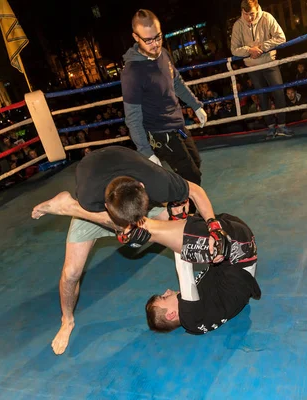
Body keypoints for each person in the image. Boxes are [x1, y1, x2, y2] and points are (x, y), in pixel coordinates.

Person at [31, 146, 228, 354]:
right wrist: (126, 227)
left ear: (142, 188)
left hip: (128, 195)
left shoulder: (156, 181)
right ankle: (67, 320)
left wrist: (213, 225)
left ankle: (146, 229)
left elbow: (195, 191)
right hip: (93, 208)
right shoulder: (90, 196)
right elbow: (105, 216)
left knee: (182, 231)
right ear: (108, 207)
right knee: (70, 273)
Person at [121, 212, 260, 335]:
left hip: (236, 247)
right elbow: (184, 266)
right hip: (239, 251)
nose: (167, 291)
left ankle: (151, 219)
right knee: (183, 231)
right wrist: (168, 229)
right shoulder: (190, 316)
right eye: (164, 297)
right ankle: (139, 223)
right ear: (171, 315)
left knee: (188, 221)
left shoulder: (196, 318)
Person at [121, 9, 207, 185]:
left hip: (178, 124)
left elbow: (176, 82)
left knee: (195, 164)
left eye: (158, 37)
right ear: (136, 37)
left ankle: (181, 206)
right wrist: (146, 151)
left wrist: (196, 105)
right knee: (191, 177)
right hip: (159, 132)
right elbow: (132, 118)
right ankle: (186, 211)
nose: (155, 44)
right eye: (148, 40)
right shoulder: (132, 73)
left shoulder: (164, 54)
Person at [231, 0, 294, 138]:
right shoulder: (238, 25)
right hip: (253, 67)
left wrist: (261, 47)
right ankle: (271, 127)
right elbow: (234, 49)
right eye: (246, 14)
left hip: (269, 62)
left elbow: (281, 37)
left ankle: (282, 126)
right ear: (242, 11)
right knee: (262, 97)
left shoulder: (267, 17)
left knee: (278, 92)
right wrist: (249, 50)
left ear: (257, 8)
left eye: (252, 14)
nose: (250, 18)